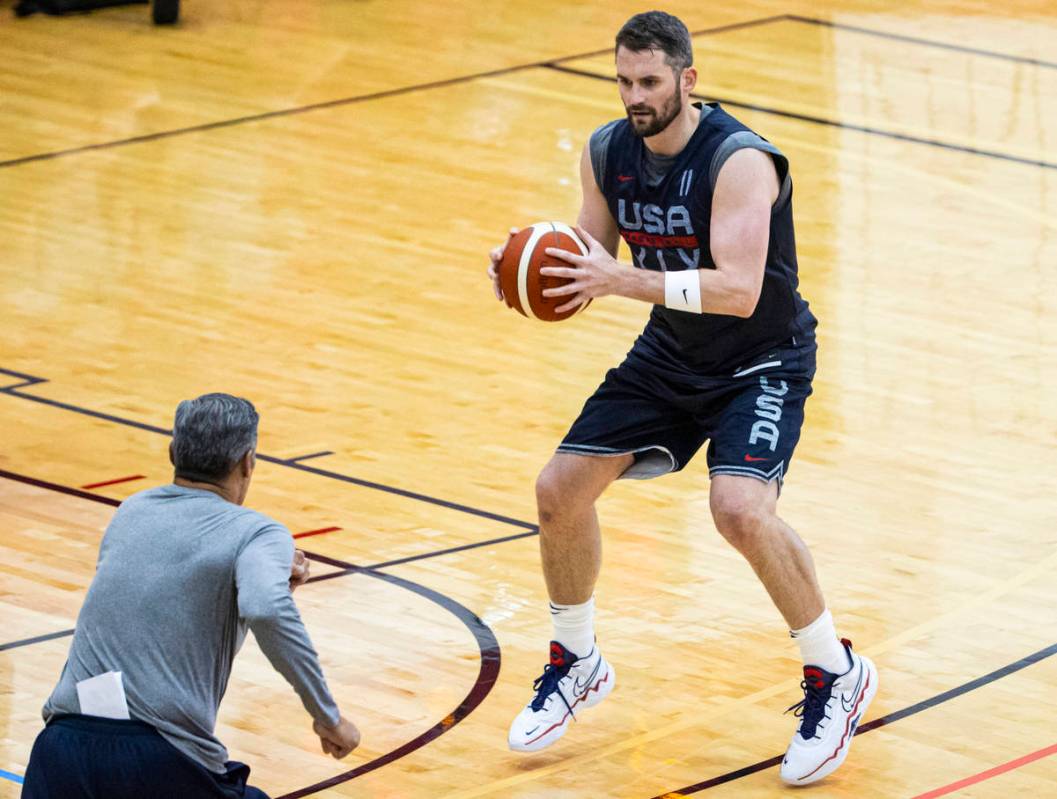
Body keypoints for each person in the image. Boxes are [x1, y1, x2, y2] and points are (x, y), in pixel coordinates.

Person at [487, 10, 876, 785]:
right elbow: (591, 254)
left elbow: (737, 291)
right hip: (669, 354)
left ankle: (835, 673)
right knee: (558, 490)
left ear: (686, 80)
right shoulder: (606, 150)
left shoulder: (738, 161)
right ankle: (577, 658)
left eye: (650, 82)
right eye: (624, 80)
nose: (635, 96)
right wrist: (530, 263)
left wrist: (619, 279)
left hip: (761, 359)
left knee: (737, 508)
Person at [21, 393, 360, 799]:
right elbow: (266, 609)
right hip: (158, 760)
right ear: (247, 461)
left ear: (171, 452)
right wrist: (327, 717)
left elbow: (169, 613)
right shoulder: (257, 532)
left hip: (60, 750)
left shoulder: (131, 511)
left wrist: (266, 588)